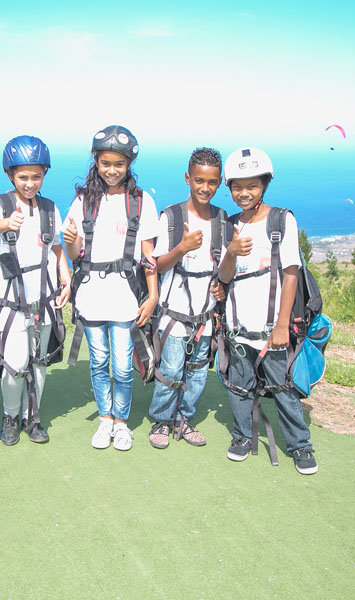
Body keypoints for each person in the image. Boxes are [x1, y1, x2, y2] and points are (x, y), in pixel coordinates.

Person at [216, 147, 317, 475]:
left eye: (253, 186)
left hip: (272, 325)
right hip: (238, 325)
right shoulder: (229, 225)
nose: (244, 193)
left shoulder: (281, 220)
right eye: (237, 186)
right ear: (229, 187)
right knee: (238, 386)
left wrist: (282, 325)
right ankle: (243, 436)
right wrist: (230, 251)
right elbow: (224, 277)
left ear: (264, 186)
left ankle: (300, 445)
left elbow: (291, 274)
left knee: (283, 388)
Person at [64, 125, 159, 451]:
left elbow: (148, 254)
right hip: (91, 293)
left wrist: (153, 294)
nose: (112, 170)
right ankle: (106, 419)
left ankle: (122, 422)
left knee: (121, 363)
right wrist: (71, 244)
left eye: (119, 164)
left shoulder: (141, 201)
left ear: (129, 164)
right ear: (96, 161)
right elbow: (76, 254)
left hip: (125, 294)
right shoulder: (83, 201)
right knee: (99, 361)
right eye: (106, 163)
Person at [0, 136, 72, 445]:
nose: (30, 182)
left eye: (36, 176)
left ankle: (31, 417)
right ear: (10, 175)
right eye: (23, 176)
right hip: (11, 302)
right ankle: (10, 416)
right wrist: (7, 222)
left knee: (39, 362)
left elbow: (57, 249)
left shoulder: (49, 209)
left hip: (44, 298)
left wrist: (66, 281)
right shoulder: (0, 204)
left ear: (44, 175)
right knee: (15, 364)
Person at [147, 148, 228, 449]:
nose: (205, 188)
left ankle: (185, 417)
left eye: (212, 182)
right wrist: (181, 247)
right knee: (169, 371)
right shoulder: (171, 217)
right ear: (187, 179)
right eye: (199, 181)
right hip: (174, 312)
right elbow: (157, 265)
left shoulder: (222, 220)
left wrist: (221, 286)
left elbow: (224, 265)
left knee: (196, 372)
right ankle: (162, 420)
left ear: (218, 183)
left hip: (205, 314)